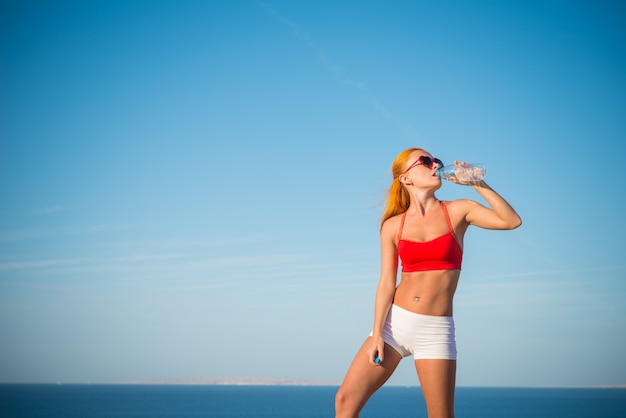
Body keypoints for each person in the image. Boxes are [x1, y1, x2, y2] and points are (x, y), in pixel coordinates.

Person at [335, 148, 522, 418]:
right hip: (393, 325)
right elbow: (386, 283)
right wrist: (377, 333)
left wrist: (477, 183)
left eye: (436, 160)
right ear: (405, 179)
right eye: (425, 161)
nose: (435, 164)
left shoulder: (458, 211)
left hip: (434, 330)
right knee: (344, 401)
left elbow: (511, 221)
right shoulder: (392, 226)